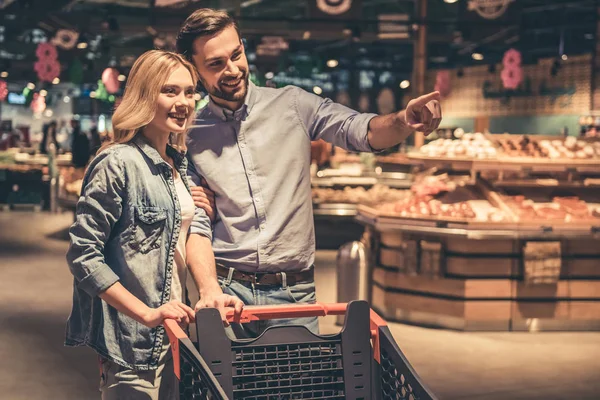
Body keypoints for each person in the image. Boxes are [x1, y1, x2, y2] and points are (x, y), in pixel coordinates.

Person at [176, 8, 441, 337]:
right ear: (195, 70)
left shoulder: (293, 105)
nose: (233, 69)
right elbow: (197, 227)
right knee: (234, 390)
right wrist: (209, 290)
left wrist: (404, 119)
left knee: (301, 387)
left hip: (294, 293)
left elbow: (360, 130)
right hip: (229, 294)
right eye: (216, 64)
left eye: (236, 55)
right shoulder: (190, 134)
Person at [64, 49, 243, 399]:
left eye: (190, 92)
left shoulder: (176, 163)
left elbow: (179, 235)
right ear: (145, 96)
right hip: (133, 345)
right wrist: (146, 313)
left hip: (175, 332)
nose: (184, 102)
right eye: (170, 91)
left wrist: (212, 292)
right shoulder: (118, 162)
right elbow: (83, 257)